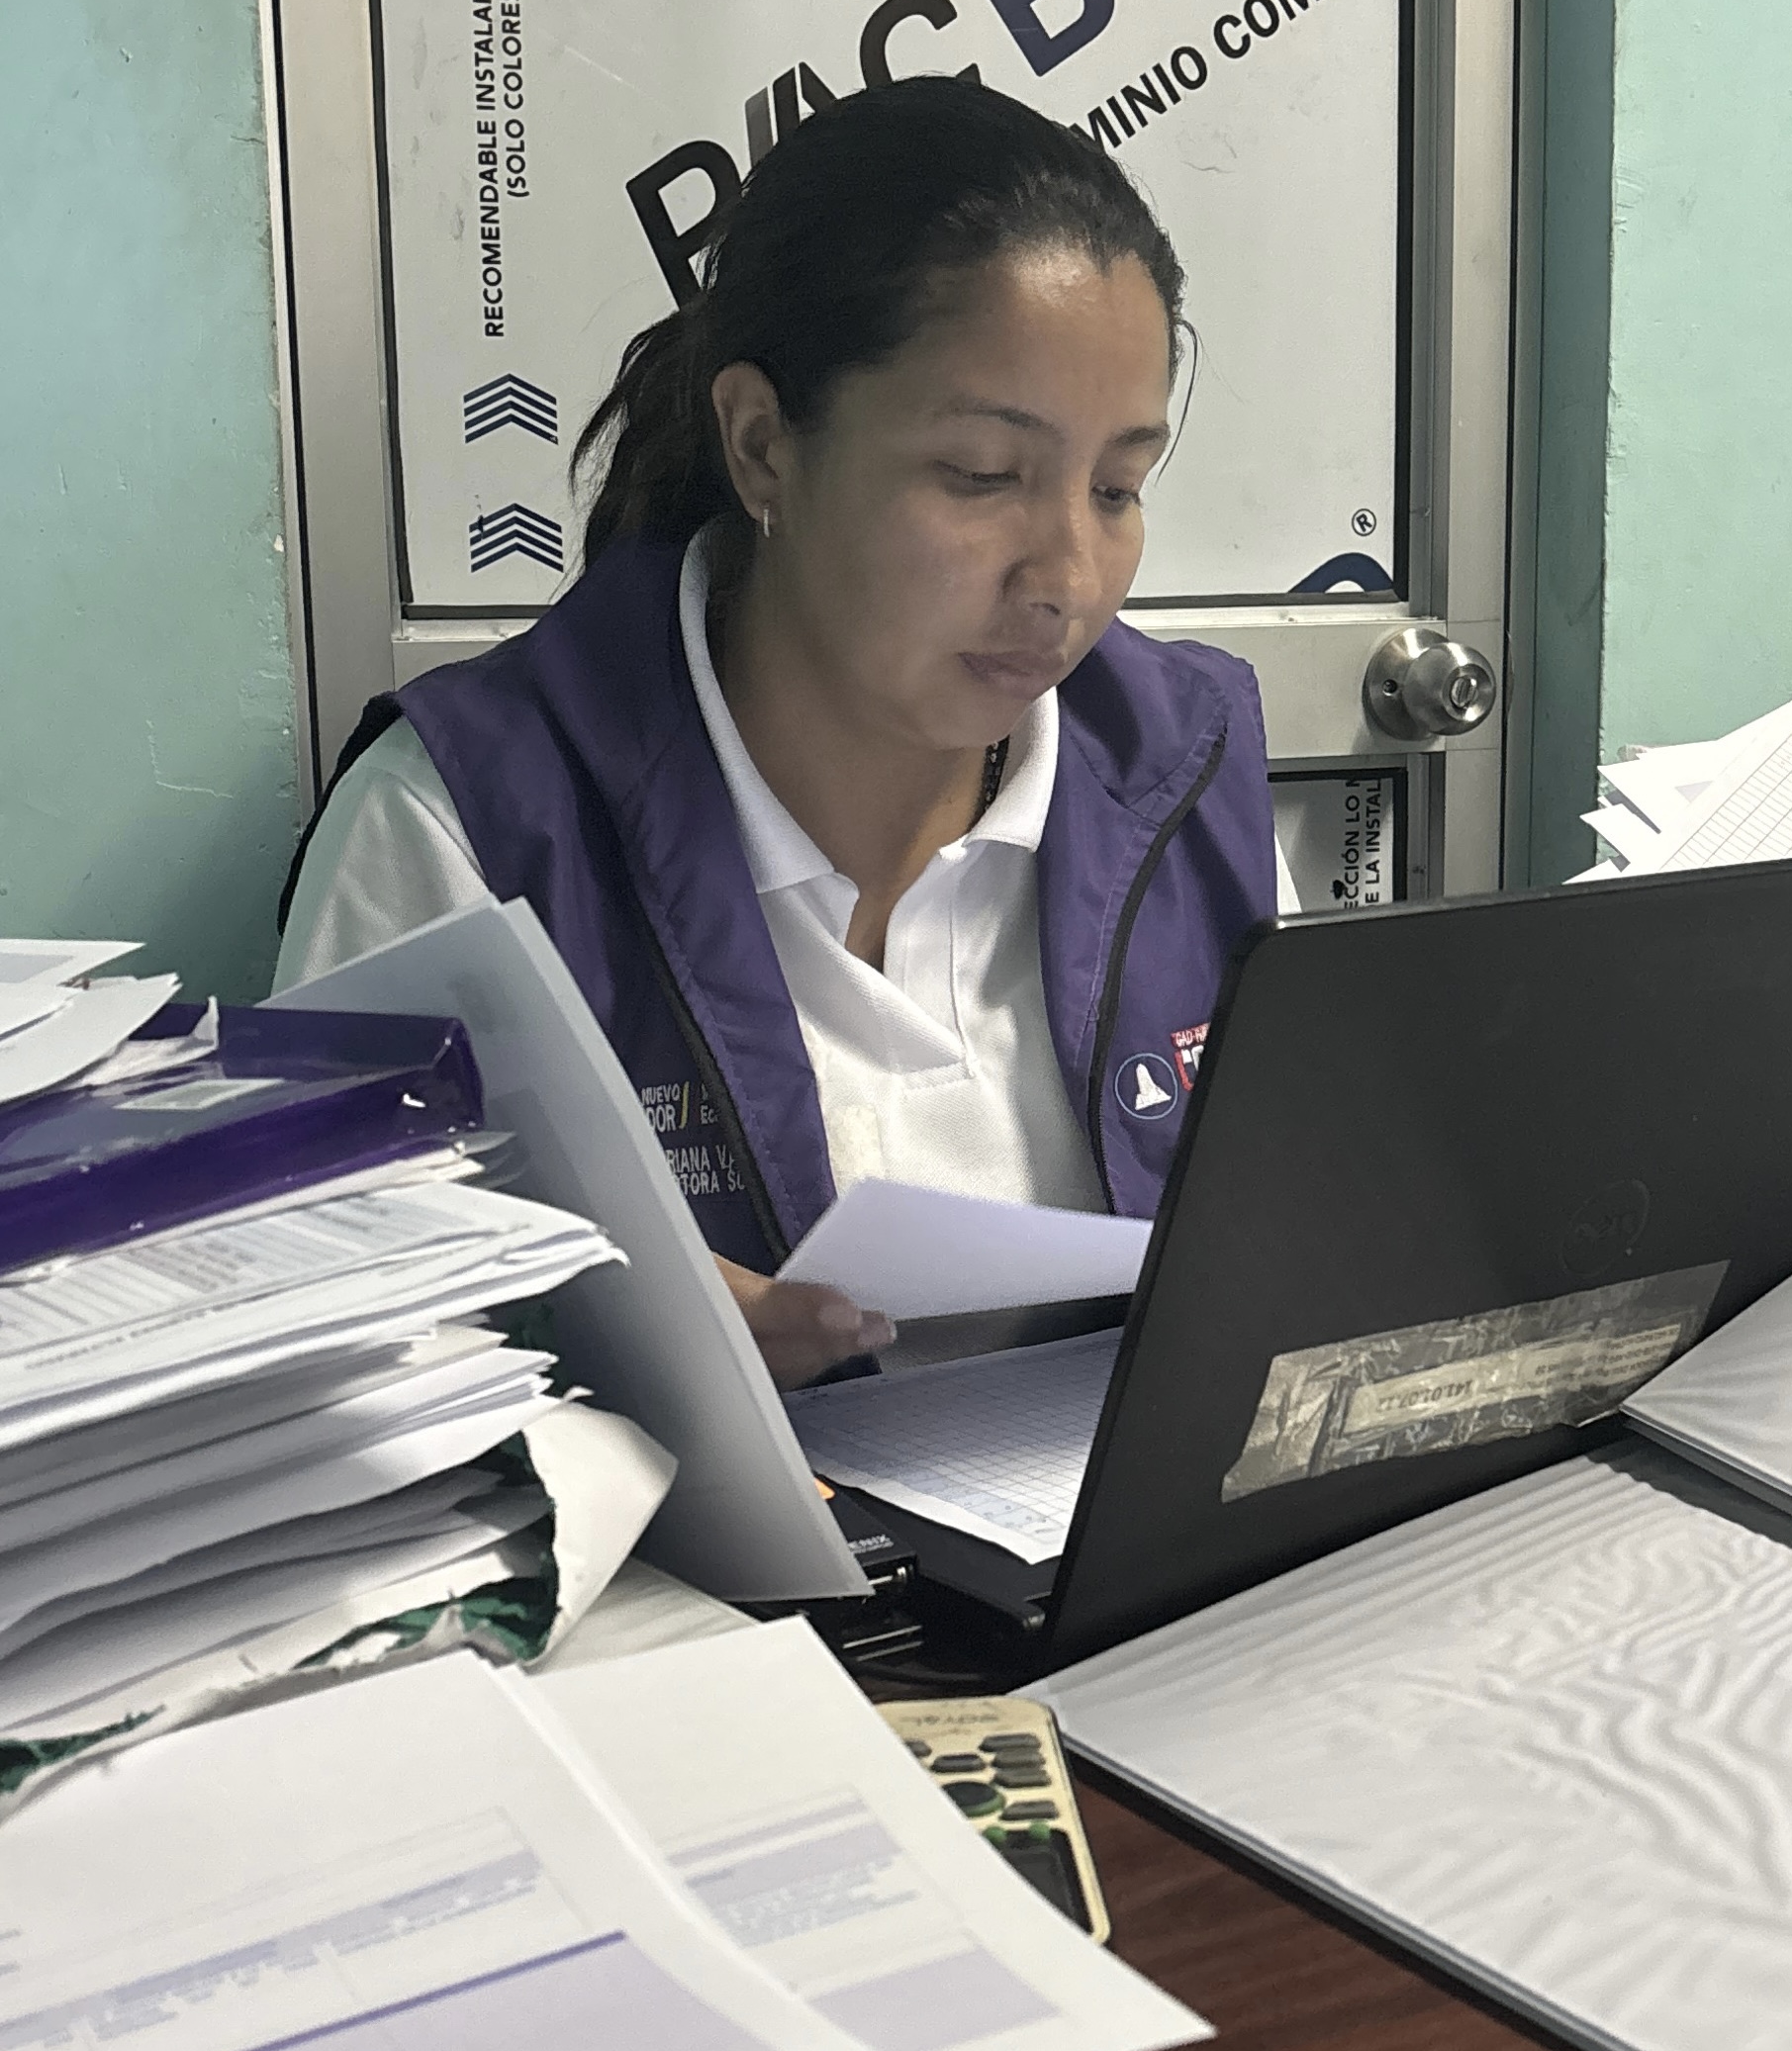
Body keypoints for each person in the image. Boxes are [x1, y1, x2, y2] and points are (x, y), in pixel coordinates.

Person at [277, 79, 1289, 1386]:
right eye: (982, 476)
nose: (1068, 580)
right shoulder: (472, 820)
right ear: (763, 445)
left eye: (1117, 487)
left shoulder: (1182, 773)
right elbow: (316, 1352)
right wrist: (600, 1345)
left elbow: (1317, 1252)